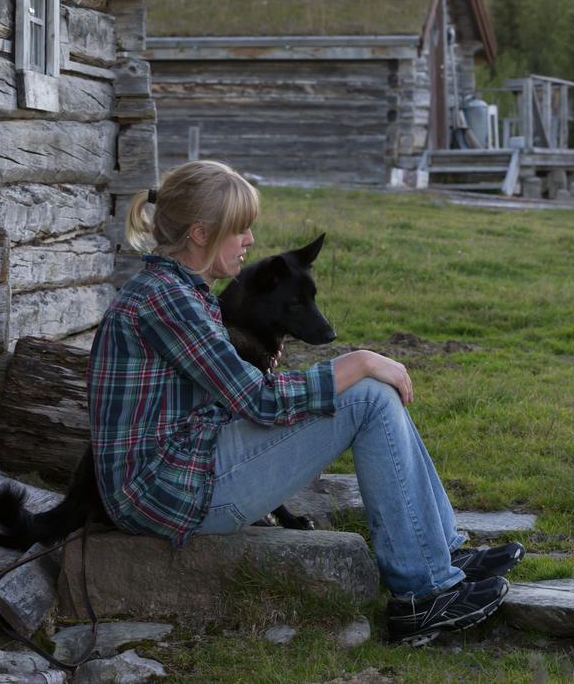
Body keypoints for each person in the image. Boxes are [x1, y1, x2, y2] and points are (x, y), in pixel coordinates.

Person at [87, 160, 522, 645]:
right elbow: (258, 401)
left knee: (366, 391)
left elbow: (233, 399)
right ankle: (422, 593)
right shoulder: (169, 301)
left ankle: (439, 553)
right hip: (168, 495)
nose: (250, 240)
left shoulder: (174, 289)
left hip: (180, 468)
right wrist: (354, 362)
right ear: (199, 233)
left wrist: (342, 376)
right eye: (240, 229)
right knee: (369, 397)